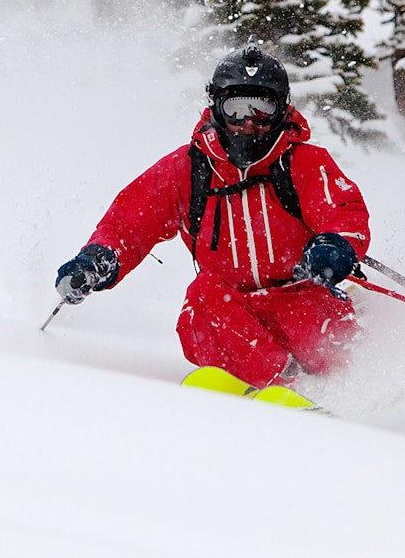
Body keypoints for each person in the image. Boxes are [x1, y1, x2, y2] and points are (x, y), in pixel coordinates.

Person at [54, 45, 371, 388]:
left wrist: (335, 246)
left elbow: (343, 210)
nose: (248, 123)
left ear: (281, 109)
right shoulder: (188, 170)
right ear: (217, 108)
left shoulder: (303, 163)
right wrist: (99, 258)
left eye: (262, 110)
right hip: (236, 315)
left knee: (334, 337)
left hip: (302, 300)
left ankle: (341, 387)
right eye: (235, 109)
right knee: (202, 297)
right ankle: (284, 385)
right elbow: (129, 222)